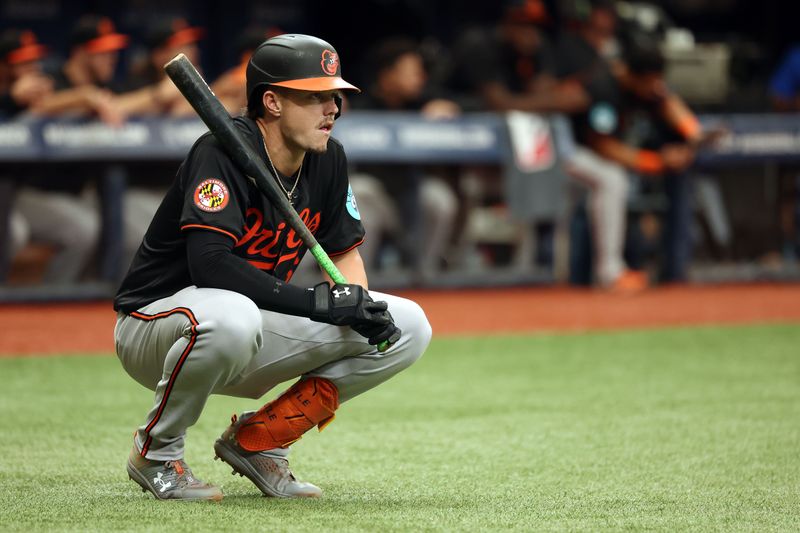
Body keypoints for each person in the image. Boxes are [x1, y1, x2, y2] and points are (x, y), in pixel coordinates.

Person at [113, 34, 431, 501]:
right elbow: (211, 265)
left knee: (407, 326)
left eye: (334, 96)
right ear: (272, 102)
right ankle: (156, 454)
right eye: (315, 97)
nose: (332, 109)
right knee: (231, 316)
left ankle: (259, 441)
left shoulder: (328, 158)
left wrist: (355, 301)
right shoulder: (219, 151)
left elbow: (342, 252)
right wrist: (315, 303)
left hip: (245, 327)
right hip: (158, 323)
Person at [572, 30, 700, 283]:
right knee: (612, 179)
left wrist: (694, 134)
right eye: (649, 81)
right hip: (570, 152)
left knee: (619, 177)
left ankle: (674, 270)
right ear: (632, 75)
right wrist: (657, 162)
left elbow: (668, 102)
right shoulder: (604, 86)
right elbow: (602, 146)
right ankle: (610, 272)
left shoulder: (644, 86)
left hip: (604, 154)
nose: (654, 87)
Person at [350, 37, 459, 276]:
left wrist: (447, 106)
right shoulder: (362, 106)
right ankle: (357, 279)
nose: (419, 78)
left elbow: (469, 103)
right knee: (360, 189)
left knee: (439, 198)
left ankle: (424, 274)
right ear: (387, 75)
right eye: (411, 72)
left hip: (412, 193)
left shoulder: (420, 103)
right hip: (378, 197)